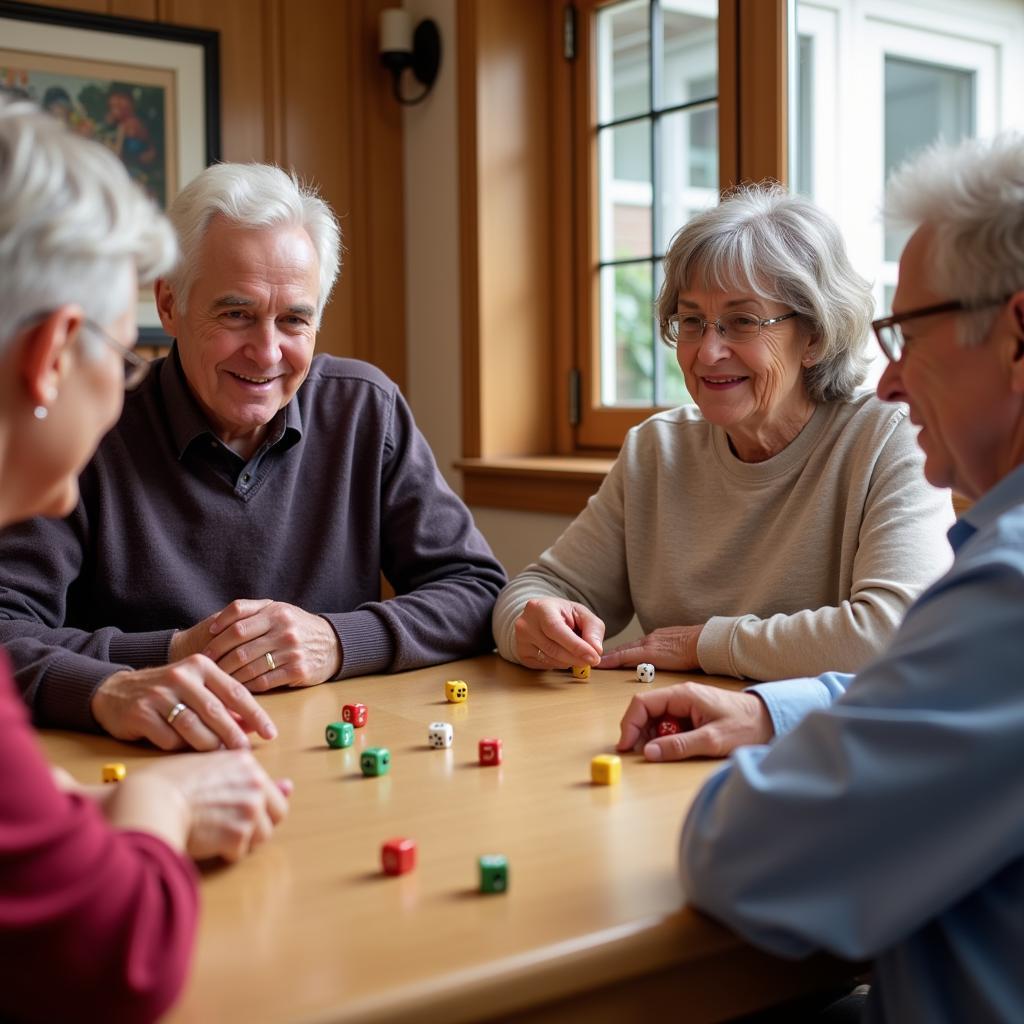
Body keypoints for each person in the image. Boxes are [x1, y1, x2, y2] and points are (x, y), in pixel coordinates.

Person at [619, 134, 1024, 1021]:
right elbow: (935, 700)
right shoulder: (655, 448)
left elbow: (741, 852)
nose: (889, 381)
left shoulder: (1011, 590)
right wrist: (777, 708)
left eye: (908, 337)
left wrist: (732, 681)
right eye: (691, 319)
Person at [0, 160, 506, 752]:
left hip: (333, 752)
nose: (267, 353)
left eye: (294, 319)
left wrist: (336, 641)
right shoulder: (89, 423)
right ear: (170, 305)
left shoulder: (364, 409)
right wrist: (161, 657)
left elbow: (476, 590)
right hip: (143, 760)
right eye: (236, 314)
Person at [0, 95, 290, 1023]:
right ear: (51, 359)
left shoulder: (369, 407)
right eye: (124, 360)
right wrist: (159, 807)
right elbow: (113, 958)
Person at [493, 185, 952, 682]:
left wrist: (702, 644)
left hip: (815, 745)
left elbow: (895, 632)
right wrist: (531, 622)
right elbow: (540, 586)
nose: (707, 352)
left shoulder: (888, 436)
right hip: (668, 738)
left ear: (815, 336)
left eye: (741, 321)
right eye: (692, 321)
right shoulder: (656, 449)